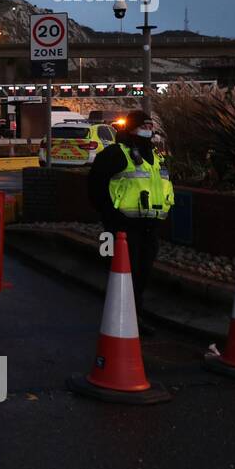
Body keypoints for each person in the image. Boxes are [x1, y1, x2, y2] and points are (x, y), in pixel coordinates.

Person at [88, 108, 174, 335]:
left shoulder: (156, 156)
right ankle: (124, 321)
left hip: (150, 227)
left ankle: (135, 317)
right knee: (126, 275)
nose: (149, 130)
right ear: (132, 128)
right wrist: (112, 217)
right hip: (124, 229)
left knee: (142, 274)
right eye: (144, 126)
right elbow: (96, 187)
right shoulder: (116, 154)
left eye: (150, 126)